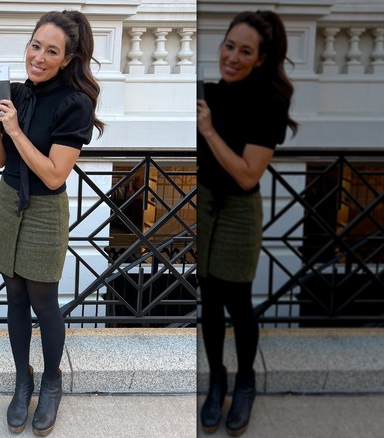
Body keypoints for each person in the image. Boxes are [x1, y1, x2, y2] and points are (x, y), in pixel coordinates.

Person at [0, 9, 104, 436]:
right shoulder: (16, 94)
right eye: (35, 45)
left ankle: (50, 381)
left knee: (43, 301)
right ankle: (21, 379)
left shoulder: (75, 103)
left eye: (51, 51)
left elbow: (53, 174)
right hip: (9, 201)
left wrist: (16, 129)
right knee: (14, 295)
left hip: (45, 210)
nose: (39, 57)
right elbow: (1, 160)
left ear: (67, 59)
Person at [196, 10, 298, 436]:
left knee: (237, 300)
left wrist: (208, 129)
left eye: (245, 51)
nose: (232, 57)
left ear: (260, 59)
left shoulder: (270, 103)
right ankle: (217, 377)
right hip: (203, 205)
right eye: (229, 45)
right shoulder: (208, 92)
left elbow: (246, 174)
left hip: (238, 211)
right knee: (210, 300)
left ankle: (244, 381)